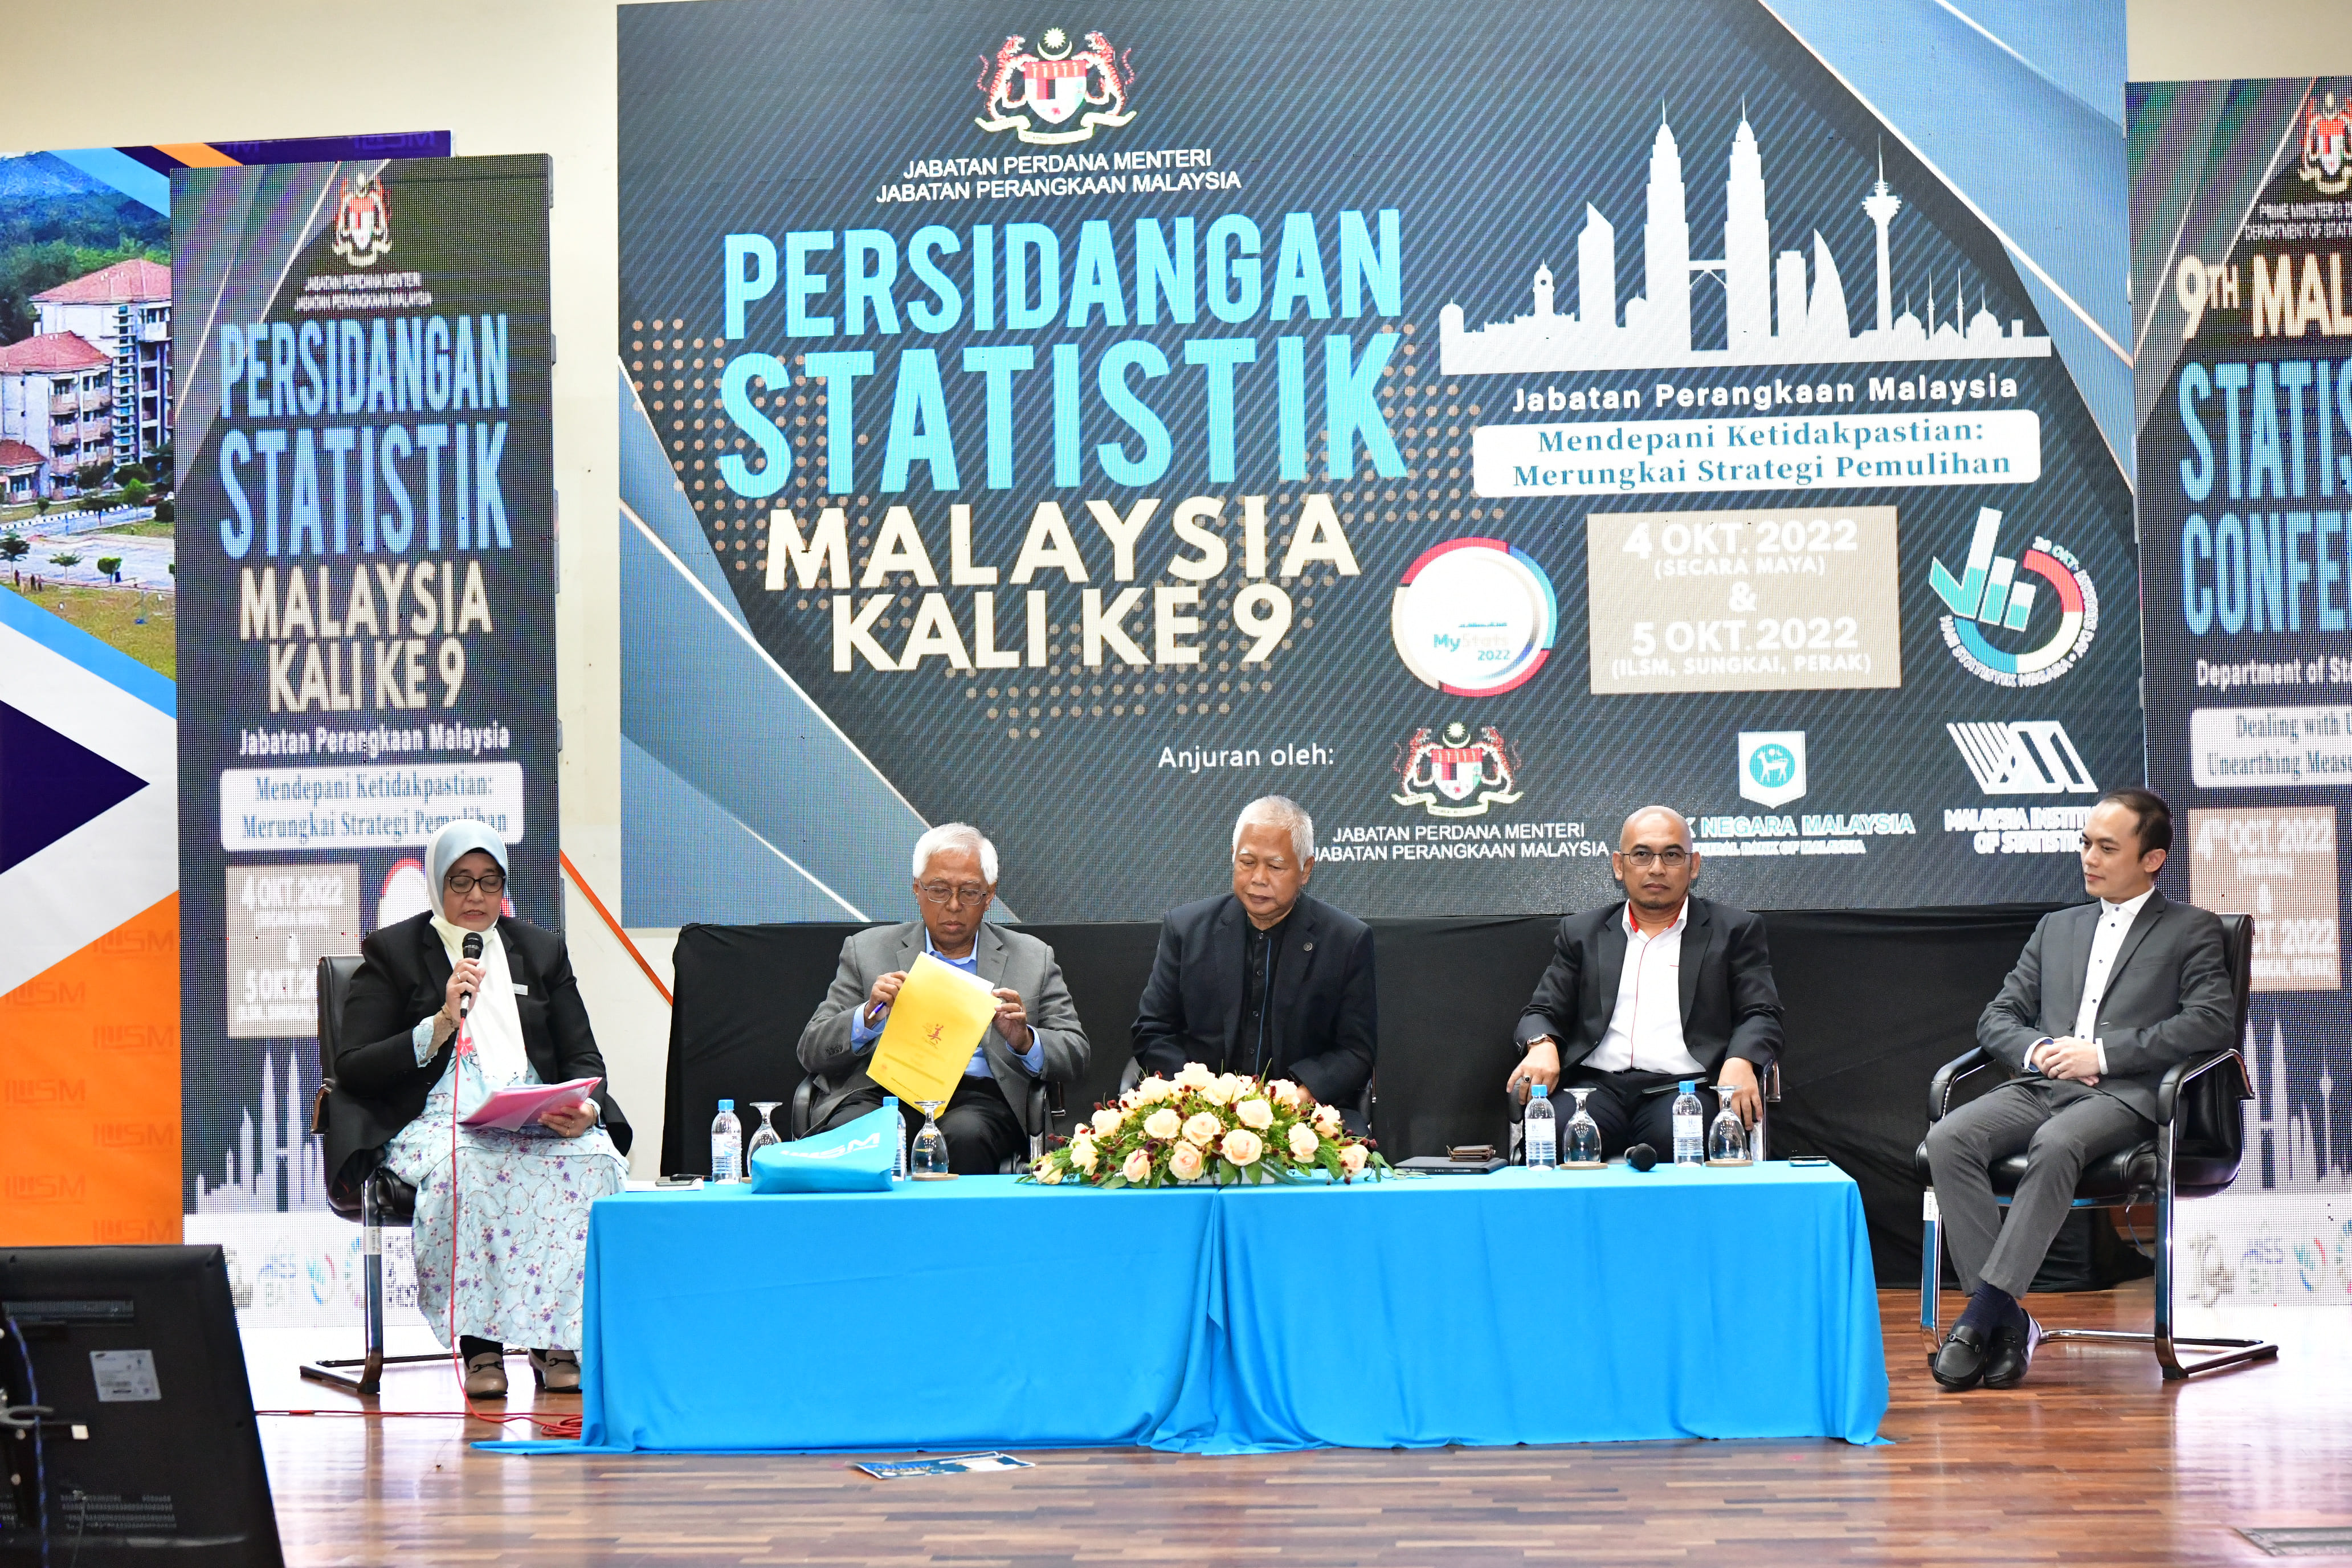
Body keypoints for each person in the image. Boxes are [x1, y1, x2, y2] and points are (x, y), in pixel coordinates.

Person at [1925, 787, 2233, 1392]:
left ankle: (1980, 1318)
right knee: (1948, 1139)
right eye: (2086, 844)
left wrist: (2104, 1053)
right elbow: (1998, 1017)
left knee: (2058, 1143)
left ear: (2152, 859)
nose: (2089, 858)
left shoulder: (2190, 929)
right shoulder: (2057, 927)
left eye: (2107, 848)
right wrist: (2040, 1049)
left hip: (2126, 1095)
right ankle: (2009, 1323)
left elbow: (2210, 1022)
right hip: (2041, 1082)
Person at [330, 820, 631, 1398]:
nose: (476, 896)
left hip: (531, 1109)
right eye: (461, 881)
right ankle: (481, 1345)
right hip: (437, 1112)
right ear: (437, 883)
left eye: (490, 881)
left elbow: (583, 1056)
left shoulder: (540, 951)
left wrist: (586, 1109)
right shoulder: (393, 952)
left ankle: (557, 1338)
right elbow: (355, 1066)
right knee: (468, 1163)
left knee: (596, 1161)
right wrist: (442, 1022)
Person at [799, 823, 1088, 1173]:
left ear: (990, 895)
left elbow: (1075, 1052)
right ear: (917, 889)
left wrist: (1024, 1040)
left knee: (963, 1136)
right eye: (939, 890)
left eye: (969, 892)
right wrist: (867, 1017)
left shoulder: (1032, 957)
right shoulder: (867, 950)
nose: (953, 905)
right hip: (883, 1091)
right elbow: (812, 1050)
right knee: (858, 1130)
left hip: (979, 1099)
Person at [1506, 805, 1782, 1158]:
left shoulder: (1734, 931)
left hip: (1686, 1090)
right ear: (1619, 866)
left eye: (1672, 855)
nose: (1656, 868)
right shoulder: (1582, 933)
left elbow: (1761, 1012)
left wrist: (1742, 1060)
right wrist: (1541, 1043)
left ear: (1694, 865)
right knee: (1553, 1135)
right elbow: (1542, 1011)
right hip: (1595, 1089)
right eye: (1641, 855)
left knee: (1684, 1139)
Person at [1130, 795, 1376, 1121]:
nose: (1259, 878)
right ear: (1233, 856)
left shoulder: (1345, 940)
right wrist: (1198, 1094)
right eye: (1247, 862)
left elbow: (1356, 1051)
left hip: (1303, 1116)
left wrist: (1300, 1096)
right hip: (1196, 1114)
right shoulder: (1187, 929)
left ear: (1305, 869)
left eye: (1275, 866)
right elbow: (1153, 1031)